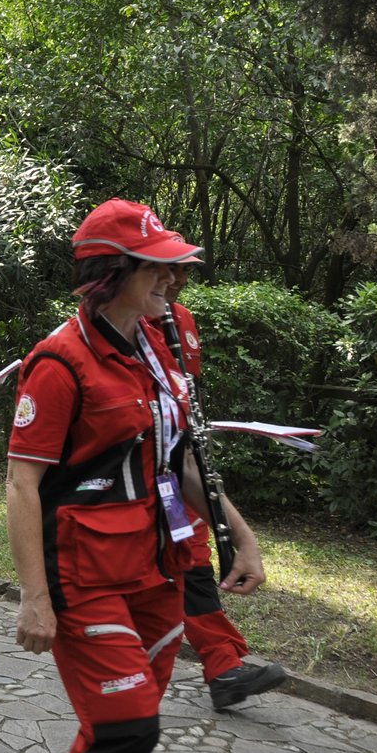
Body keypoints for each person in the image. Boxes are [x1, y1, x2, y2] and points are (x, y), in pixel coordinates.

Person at [6, 198, 268, 753]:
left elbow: (181, 460)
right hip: (85, 573)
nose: (171, 279)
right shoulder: (59, 361)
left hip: (157, 568)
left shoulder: (160, 346)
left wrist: (241, 534)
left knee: (123, 731)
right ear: (113, 272)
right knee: (126, 727)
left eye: (173, 268)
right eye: (157, 267)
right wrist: (35, 598)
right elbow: (21, 485)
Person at [157, 260, 289, 711]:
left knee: (190, 551)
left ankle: (222, 666)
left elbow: (187, 392)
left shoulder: (183, 321)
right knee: (174, 561)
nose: (176, 282)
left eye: (184, 274)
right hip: (130, 481)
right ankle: (217, 664)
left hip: (175, 472)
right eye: (166, 271)